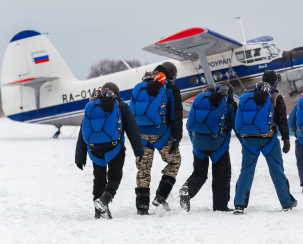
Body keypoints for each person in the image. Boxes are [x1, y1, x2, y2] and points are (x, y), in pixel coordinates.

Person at [75, 82, 144, 219]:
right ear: (117, 93)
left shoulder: (92, 105)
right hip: (114, 148)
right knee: (114, 177)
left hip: (94, 149)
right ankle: (103, 201)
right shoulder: (120, 105)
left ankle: (98, 211)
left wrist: (80, 157)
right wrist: (139, 151)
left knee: (99, 178)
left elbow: (82, 133)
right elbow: (132, 130)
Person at [233, 70, 297, 214]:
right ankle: (287, 202)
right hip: (269, 140)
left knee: (246, 171)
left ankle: (239, 204)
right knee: (277, 171)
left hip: (249, 139)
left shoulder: (247, 94)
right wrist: (286, 138)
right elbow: (281, 120)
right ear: (275, 82)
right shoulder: (276, 96)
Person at [130, 61, 183, 215]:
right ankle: (161, 196)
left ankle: (141, 207)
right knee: (175, 161)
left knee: (143, 169)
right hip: (162, 135)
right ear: (172, 74)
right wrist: (176, 139)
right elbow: (176, 116)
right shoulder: (171, 88)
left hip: (141, 136)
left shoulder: (140, 86)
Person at [179, 83, 236, 212]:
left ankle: (186, 190)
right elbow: (235, 125)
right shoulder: (228, 104)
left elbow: (189, 124)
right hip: (219, 145)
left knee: (199, 173)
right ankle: (220, 206)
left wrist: (194, 140)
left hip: (198, 144)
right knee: (222, 175)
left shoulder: (200, 101)